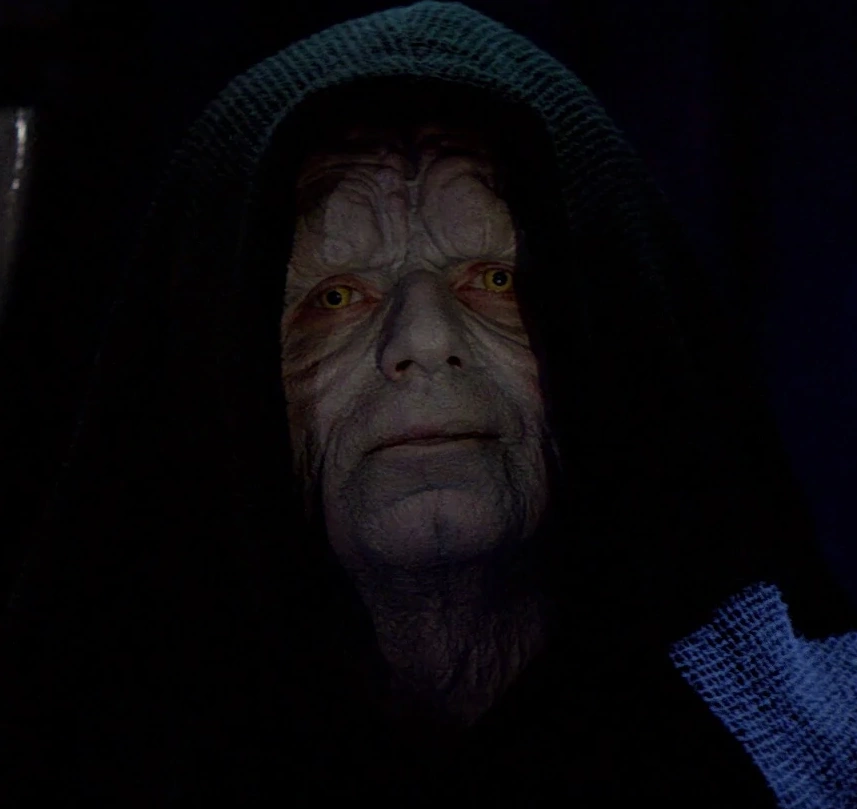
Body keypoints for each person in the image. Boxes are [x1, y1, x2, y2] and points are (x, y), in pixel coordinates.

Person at [2, 2, 856, 806]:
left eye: (495, 280)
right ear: (225, 381)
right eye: (335, 297)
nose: (421, 339)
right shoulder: (70, 754)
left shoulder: (813, 749)